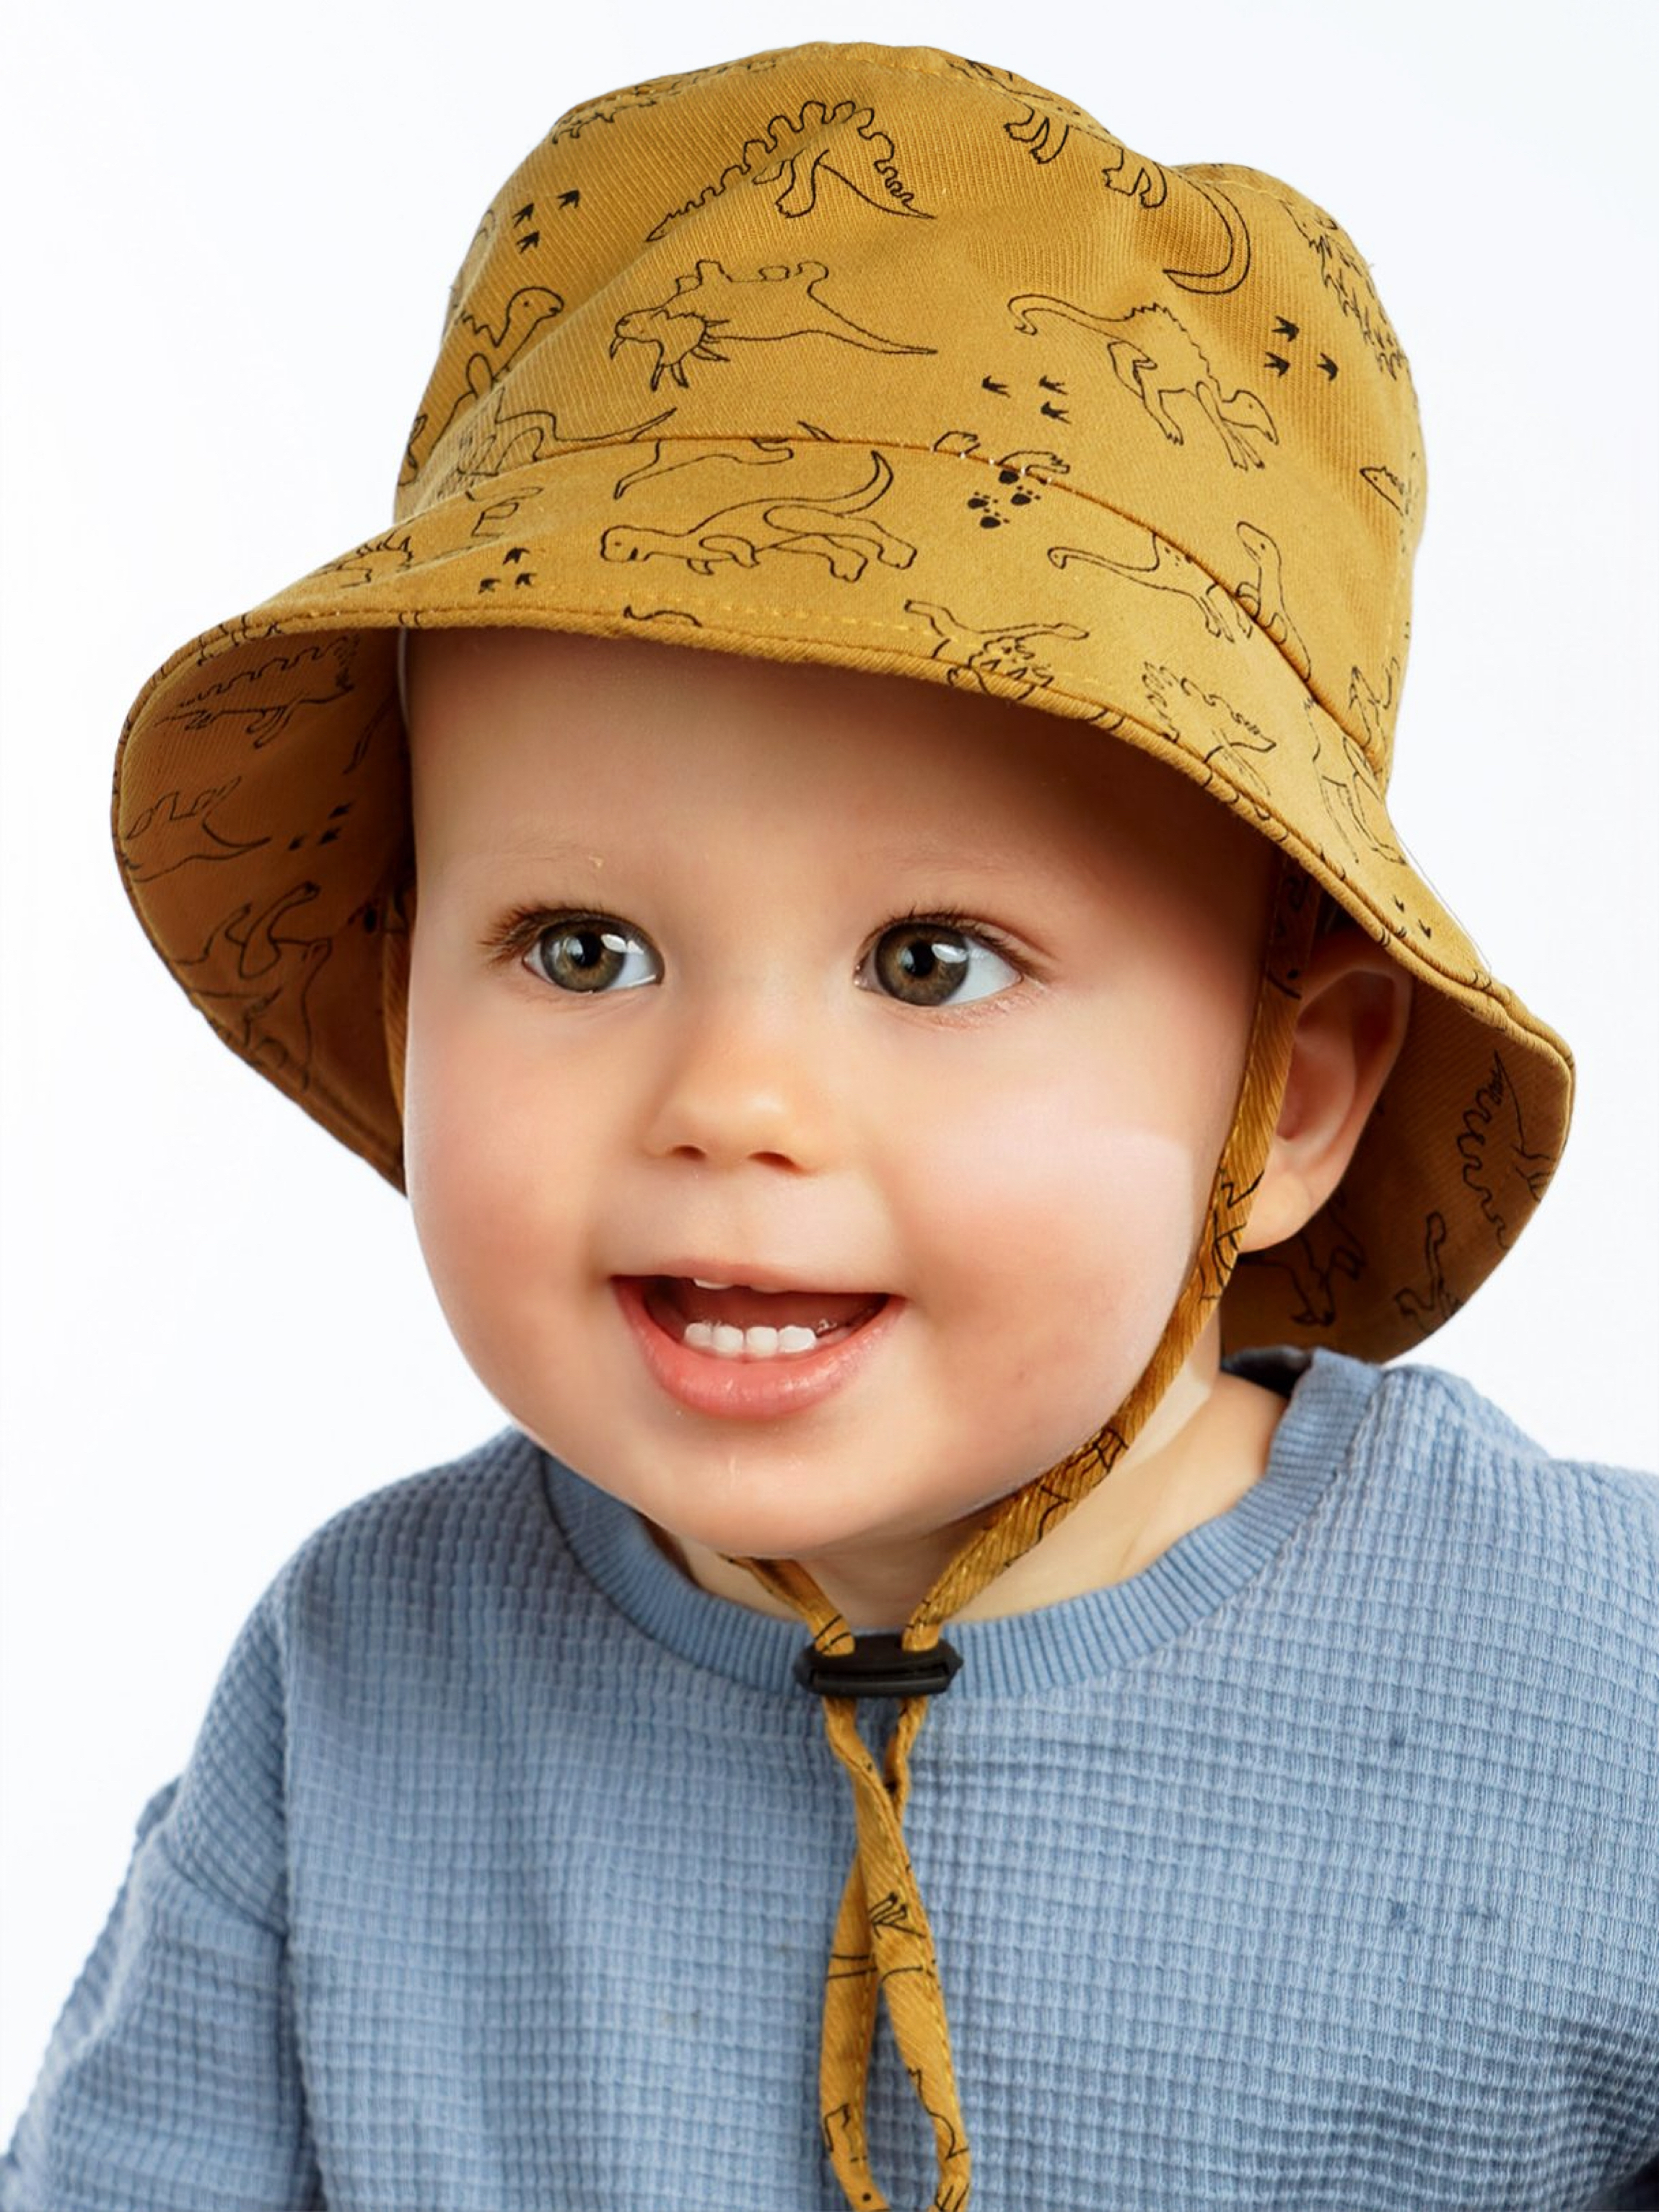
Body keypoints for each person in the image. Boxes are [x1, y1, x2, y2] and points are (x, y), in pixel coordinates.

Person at [4, 36, 1655, 2212]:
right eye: (581, 947)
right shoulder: (361, 1684)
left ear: (1296, 1097)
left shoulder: (1602, 1690)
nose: (731, 1104)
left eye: (931, 961)